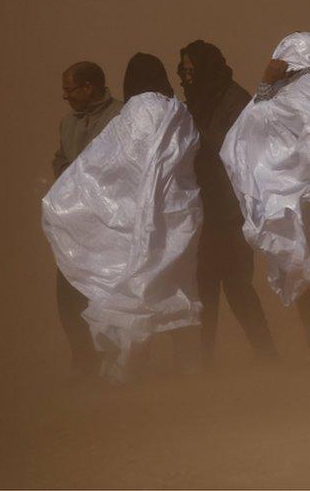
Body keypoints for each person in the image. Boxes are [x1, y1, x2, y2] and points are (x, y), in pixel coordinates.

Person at [43, 53, 204, 383]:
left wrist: (72, 191)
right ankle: (191, 366)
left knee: (130, 293)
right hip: (177, 217)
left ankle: (127, 370)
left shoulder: (130, 114)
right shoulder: (179, 111)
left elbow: (114, 164)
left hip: (134, 220)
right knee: (176, 287)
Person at [220, 32, 310, 359]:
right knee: (306, 263)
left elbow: (252, 125)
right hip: (309, 190)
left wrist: (265, 84)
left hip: (296, 193)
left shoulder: (309, 89)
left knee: (307, 263)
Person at [177, 40, 278, 363]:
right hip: (203, 208)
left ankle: (267, 355)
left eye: (192, 70)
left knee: (237, 286)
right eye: (184, 71)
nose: (186, 78)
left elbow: (236, 149)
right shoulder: (193, 103)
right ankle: (204, 360)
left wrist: (192, 140)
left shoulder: (235, 101)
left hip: (232, 209)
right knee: (204, 287)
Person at [51, 61, 123, 380]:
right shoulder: (68, 123)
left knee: (106, 296)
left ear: (89, 87)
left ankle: (113, 359)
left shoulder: (121, 117)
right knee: (68, 295)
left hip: (109, 224)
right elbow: (60, 159)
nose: (65, 97)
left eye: (69, 90)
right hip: (74, 224)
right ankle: (82, 358)